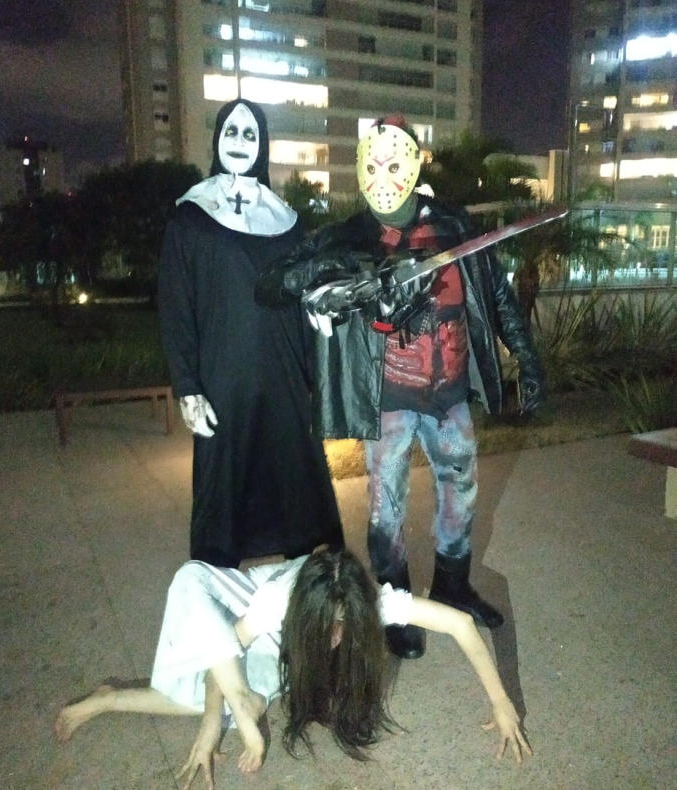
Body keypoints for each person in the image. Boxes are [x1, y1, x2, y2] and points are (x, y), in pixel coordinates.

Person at [255, 115, 545, 659]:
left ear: (415, 164)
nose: (382, 175)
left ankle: (453, 588)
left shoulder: (454, 225)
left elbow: (497, 295)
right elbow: (271, 285)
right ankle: (395, 607)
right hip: (387, 397)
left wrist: (526, 359)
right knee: (385, 508)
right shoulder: (348, 235)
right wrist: (339, 266)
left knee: (460, 493)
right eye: (372, 163)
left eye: (394, 163)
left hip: (450, 393)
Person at [55, 547, 532, 789]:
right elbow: (221, 650)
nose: (337, 637)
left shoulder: (371, 603)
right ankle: (127, 700)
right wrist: (211, 725)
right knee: (206, 677)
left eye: (344, 625)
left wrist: (501, 702)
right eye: (328, 627)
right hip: (236, 609)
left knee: (232, 696)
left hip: (278, 643)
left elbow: (460, 625)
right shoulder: (275, 603)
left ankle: (116, 699)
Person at [158, 98, 343, 567]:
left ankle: (302, 594)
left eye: (250, 133)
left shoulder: (286, 221)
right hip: (224, 381)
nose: (240, 141)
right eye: (231, 131)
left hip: (284, 379)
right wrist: (188, 387)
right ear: (217, 139)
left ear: (262, 145)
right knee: (222, 498)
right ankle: (218, 589)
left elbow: (302, 297)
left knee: (295, 492)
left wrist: (320, 328)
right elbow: (176, 305)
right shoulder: (191, 217)